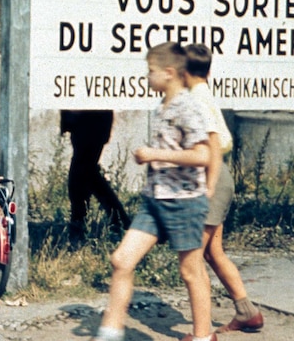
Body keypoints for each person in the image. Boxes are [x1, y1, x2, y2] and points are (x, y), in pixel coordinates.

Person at [91, 42, 214, 341]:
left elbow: (203, 155)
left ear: (169, 73)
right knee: (122, 260)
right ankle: (110, 332)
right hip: (155, 200)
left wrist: (154, 155)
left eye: (151, 72)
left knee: (190, 271)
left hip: (184, 201)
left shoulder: (188, 106)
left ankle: (202, 336)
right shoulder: (162, 106)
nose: (147, 77)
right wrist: (151, 155)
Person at [184, 44, 263, 333]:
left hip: (211, 179)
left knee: (192, 258)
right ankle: (247, 312)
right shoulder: (203, 94)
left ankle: (202, 333)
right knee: (212, 252)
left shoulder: (194, 99)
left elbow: (219, 141)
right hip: (219, 177)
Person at [60, 110, 130, 241]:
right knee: (86, 172)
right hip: (86, 119)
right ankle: (117, 219)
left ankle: (80, 222)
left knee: (83, 171)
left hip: (92, 118)